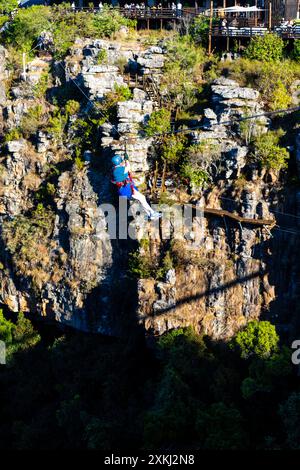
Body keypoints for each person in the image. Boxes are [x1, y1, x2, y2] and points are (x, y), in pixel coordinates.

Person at [111, 155, 161, 220]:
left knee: (141, 199)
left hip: (122, 190)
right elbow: (128, 167)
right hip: (128, 190)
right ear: (119, 162)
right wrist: (127, 159)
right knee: (142, 198)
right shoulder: (120, 170)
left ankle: (150, 214)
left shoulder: (114, 170)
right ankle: (152, 213)